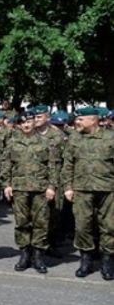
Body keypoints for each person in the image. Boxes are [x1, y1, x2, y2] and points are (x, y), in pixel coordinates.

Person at [61, 106, 114, 280]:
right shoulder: (74, 139)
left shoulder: (110, 137)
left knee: (109, 226)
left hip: (108, 189)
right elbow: (68, 164)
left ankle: (107, 262)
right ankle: (86, 260)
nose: (77, 122)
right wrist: (67, 187)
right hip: (82, 189)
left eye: (81, 119)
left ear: (93, 120)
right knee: (83, 226)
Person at [1, 112, 57, 274]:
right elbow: (6, 165)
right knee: (22, 223)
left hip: (40, 188)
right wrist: (7, 185)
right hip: (19, 188)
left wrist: (51, 187)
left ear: (34, 123)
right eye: (22, 122)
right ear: (19, 125)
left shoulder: (46, 143)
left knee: (41, 223)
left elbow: (53, 167)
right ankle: (25, 254)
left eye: (29, 121)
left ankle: (38, 256)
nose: (26, 125)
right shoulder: (12, 143)